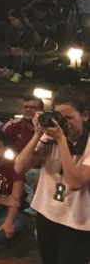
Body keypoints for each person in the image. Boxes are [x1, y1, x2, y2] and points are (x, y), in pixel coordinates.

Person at [15, 87, 90, 264]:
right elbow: (20, 167)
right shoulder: (49, 139)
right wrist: (37, 134)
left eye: (69, 118)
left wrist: (62, 140)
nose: (64, 124)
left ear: (85, 116)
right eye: (60, 118)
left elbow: (75, 182)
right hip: (46, 215)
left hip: (77, 222)